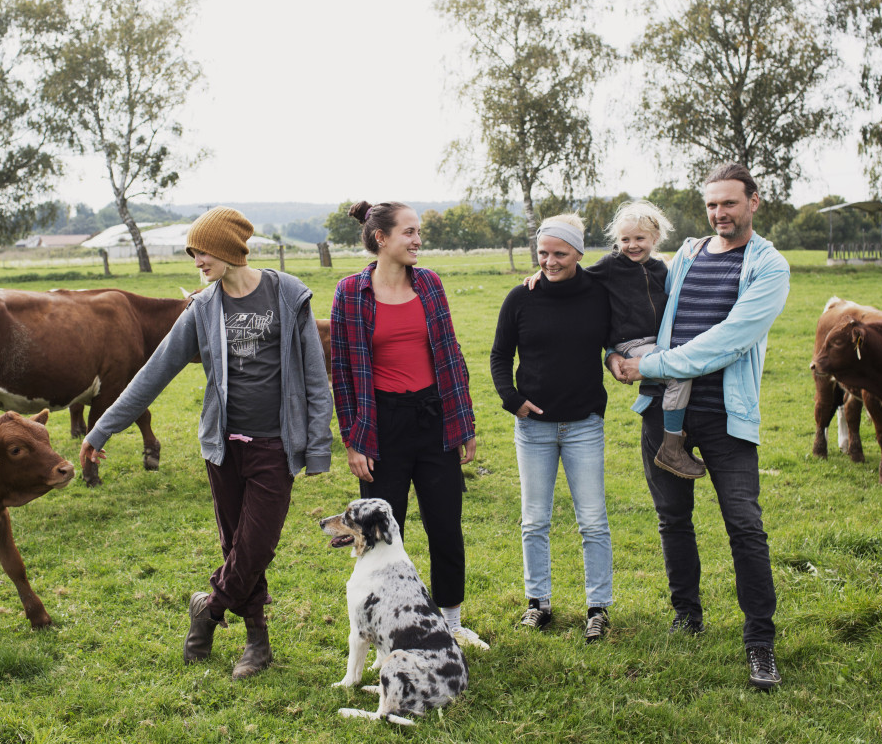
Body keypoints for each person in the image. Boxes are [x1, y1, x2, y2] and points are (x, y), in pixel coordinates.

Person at [78, 206, 333, 680]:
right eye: (193, 251)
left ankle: (209, 608)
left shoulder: (288, 294)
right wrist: (102, 429)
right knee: (236, 544)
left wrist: (317, 445)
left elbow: (315, 376)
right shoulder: (202, 308)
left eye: (204, 250)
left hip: (274, 445)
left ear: (232, 250)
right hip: (222, 447)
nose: (197, 259)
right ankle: (258, 643)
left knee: (256, 545)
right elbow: (153, 374)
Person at [610, 163, 790, 690]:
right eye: (712, 204)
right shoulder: (686, 252)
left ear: (754, 202)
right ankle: (687, 616)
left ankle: (760, 644)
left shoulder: (769, 266)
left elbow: (731, 339)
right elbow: (630, 296)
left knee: (745, 526)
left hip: (726, 418)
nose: (720, 214)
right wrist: (617, 355)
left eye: (730, 203)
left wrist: (655, 365)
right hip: (662, 410)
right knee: (673, 520)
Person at [330, 200, 486, 649]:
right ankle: (385, 631)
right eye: (409, 232)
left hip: (433, 420)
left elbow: (451, 354)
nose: (418, 240)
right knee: (380, 535)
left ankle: (451, 624)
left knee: (445, 527)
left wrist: (463, 424)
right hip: (382, 427)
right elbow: (342, 371)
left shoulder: (431, 285)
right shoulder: (350, 292)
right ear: (382, 238)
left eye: (418, 232)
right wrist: (353, 441)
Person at [489, 213, 615, 642]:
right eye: (542, 253)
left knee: (593, 520)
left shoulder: (600, 294)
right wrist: (511, 399)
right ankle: (537, 603)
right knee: (534, 519)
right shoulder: (520, 298)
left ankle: (598, 608)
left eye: (559, 253)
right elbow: (499, 355)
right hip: (534, 429)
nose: (549, 261)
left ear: (579, 253)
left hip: (583, 425)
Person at [588, 200, 702, 478]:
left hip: (658, 340)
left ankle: (659, 405)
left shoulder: (661, 268)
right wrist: (542, 275)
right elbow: (577, 278)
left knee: (684, 363)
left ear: (655, 238)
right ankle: (672, 448)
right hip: (631, 342)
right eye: (625, 239)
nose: (632, 245)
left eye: (640, 238)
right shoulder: (610, 265)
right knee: (679, 372)